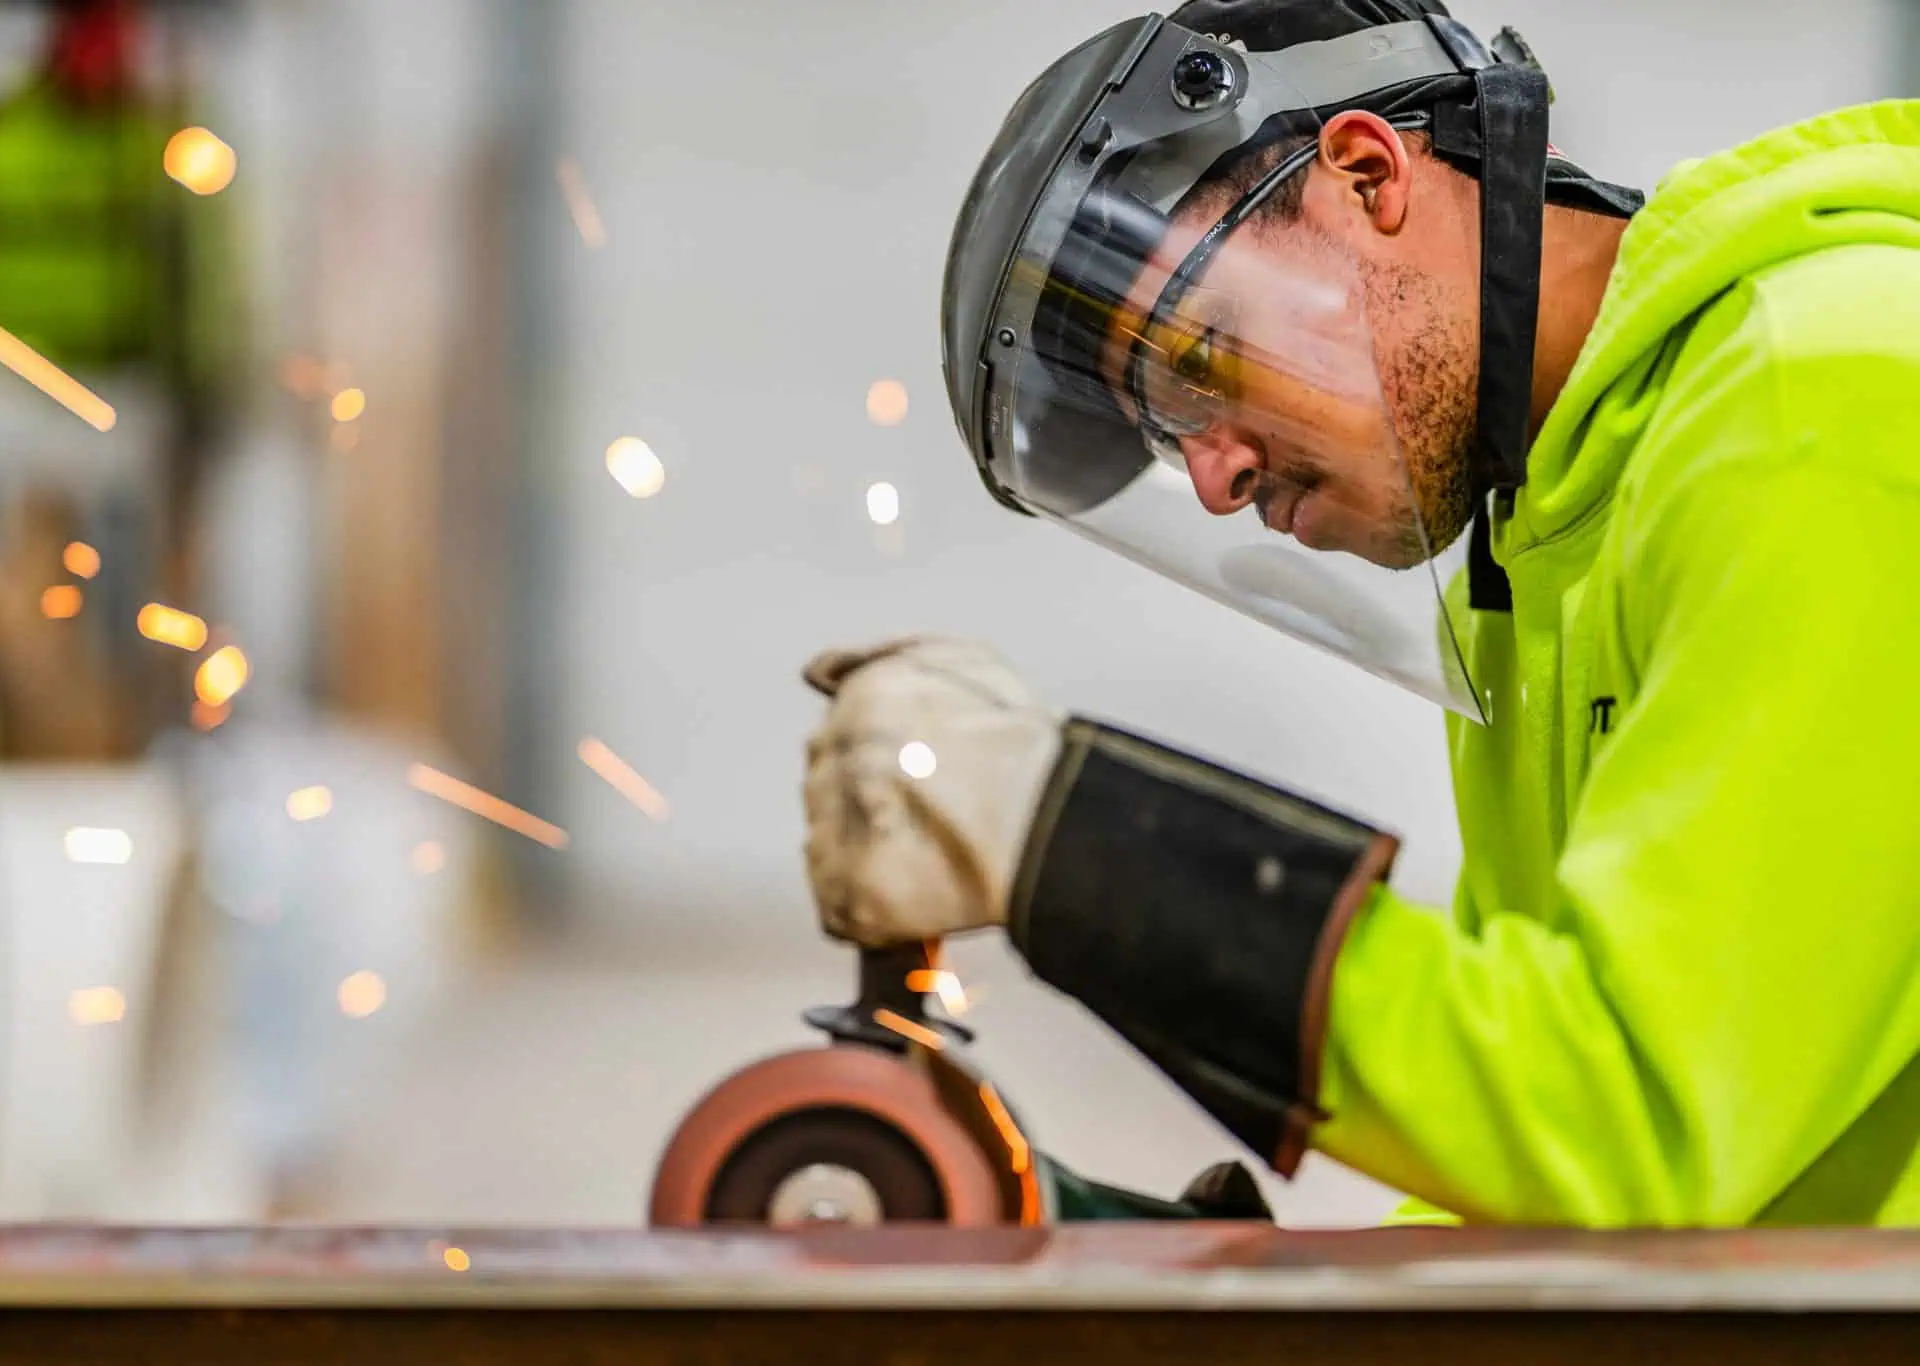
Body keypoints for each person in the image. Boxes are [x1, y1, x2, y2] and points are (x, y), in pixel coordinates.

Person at [800, 0, 1920, 1226]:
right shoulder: (1534, 548)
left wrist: (1069, 844)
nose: (1215, 479)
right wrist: (1216, 1287)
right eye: (1166, 431)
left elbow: (1623, 1128)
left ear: (1365, 171)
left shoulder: (1820, 409)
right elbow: (1539, 1162)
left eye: (1203, 363)